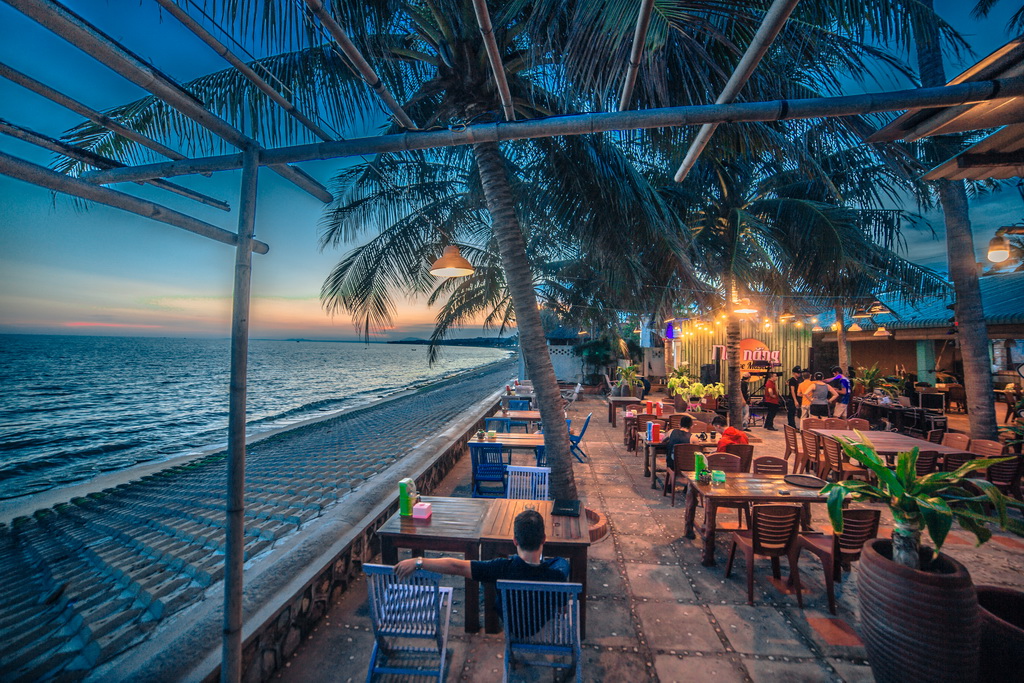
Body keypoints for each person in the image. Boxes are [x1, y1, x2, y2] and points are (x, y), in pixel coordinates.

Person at [395, 509, 568, 635]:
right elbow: (561, 607)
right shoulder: (556, 575)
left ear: (515, 541)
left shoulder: (501, 568)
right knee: (561, 563)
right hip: (539, 625)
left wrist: (419, 561)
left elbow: (456, 566)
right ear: (544, 539)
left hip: (513, 626)